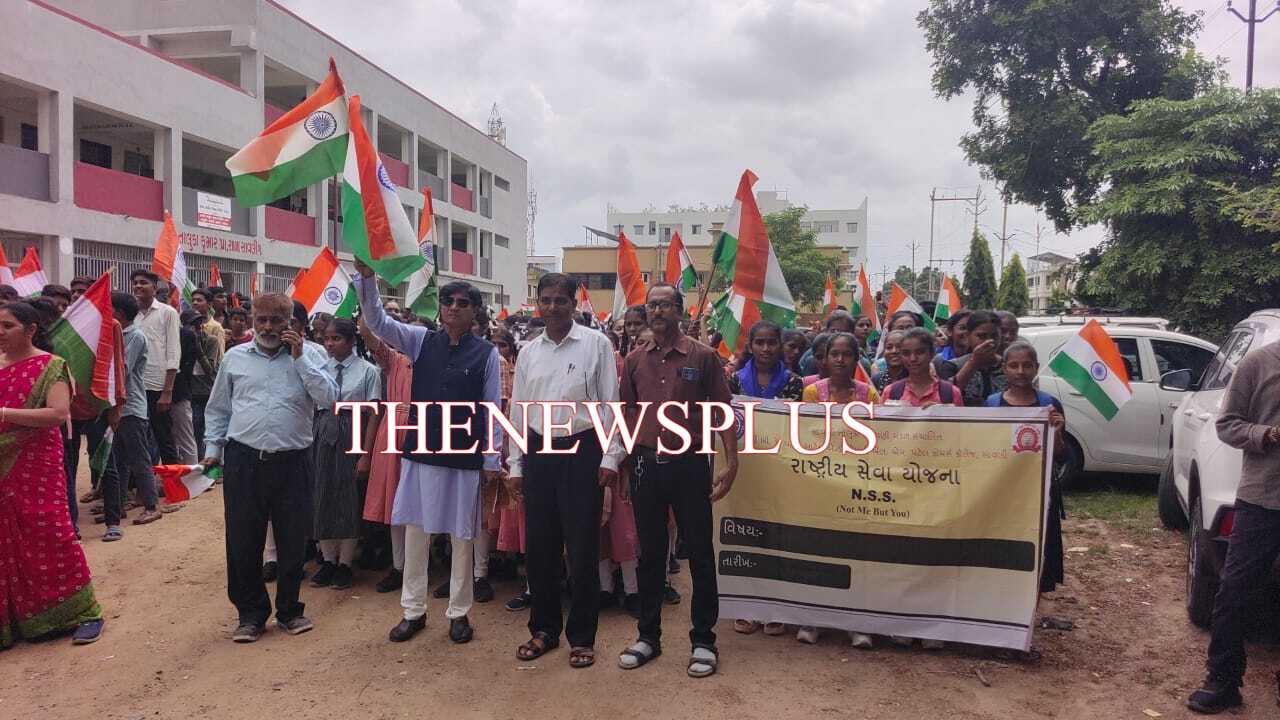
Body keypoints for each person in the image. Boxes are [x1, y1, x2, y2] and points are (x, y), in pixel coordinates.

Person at [352, 259, 502, 646]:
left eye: (463, 303)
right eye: (448, 301)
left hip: (464, 456)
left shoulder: (486, 354)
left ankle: (459, 613)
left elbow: (492, 409)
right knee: (416, 534)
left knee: (462, 537)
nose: (454, 307)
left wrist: (491, 459)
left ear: (475, 311)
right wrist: (367, 281)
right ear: (440, 308)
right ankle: (413, 611)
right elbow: (378, 322)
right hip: (420, 453)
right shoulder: (420, 341)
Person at [617, 283, 738, 678]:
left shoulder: (703, 357)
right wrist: (625, 464)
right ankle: (647, 637)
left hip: (690, 463)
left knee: (699, 553)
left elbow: (722, 410)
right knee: (650, 554)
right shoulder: (634, 360)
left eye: (665, 305)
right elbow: (627, 414)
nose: (657, 311)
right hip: (645, 465)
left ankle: (703, 640)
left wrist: (731, 461)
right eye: (652, 305)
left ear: (680, 310)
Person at [202, 293, 336, 643]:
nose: (267, 327)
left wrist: (301, 358)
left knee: (293, 539)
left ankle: (290, 610)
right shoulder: (235, 357)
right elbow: (219, 408)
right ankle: (250, 615)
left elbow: (329, 399)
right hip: (244, 460)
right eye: (261, 320)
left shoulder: (312, 355)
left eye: (276, 321)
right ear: (253, 320)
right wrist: (213, 449)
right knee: (243, 540)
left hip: (294, 461)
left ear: (290, 323)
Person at [506, 273, 625, 669]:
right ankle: (543, 629)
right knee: (540, 548)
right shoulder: (528, 351)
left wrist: (610, 457)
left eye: (561, 300)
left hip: (583, 451)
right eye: (546, 299)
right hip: (539, 453)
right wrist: (516, 464)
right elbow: (519, 411)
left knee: (582, 548)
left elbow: (611, 405)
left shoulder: (596, 345)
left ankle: (582, 636)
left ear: (575, 304)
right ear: (537, 303)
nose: (553, 307)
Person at [0, 301, 106, 647]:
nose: (0, 333)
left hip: (36, 464)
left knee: (49, 531)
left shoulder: (51, 366)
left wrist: (4, 413)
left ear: (30, 330)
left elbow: (58, 414)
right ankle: (17, 618)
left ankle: (84, 613)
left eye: (7, 326)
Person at [1186, 337, 1280, 714]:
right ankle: (1223, 680)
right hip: (1263, 498)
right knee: (1235, 591)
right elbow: (1227, 425)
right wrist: (1268, 434)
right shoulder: (1259, 363)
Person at [729, 320, 803, 638]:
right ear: (750, 346)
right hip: (745, 467)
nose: (766, 348)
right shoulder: (734, 380)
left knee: (778, 536)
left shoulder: (794, 383)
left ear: (780, 346)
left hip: (780, 467)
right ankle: (748, 605)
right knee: (747, 535)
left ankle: (776, 607)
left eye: (772, 342)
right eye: (759, 342)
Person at [983, 341, 1066, 596]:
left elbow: (1060, 454)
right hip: (1003, 491)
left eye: (1027, 365)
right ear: (1004, 369)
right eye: (1014, 365)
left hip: (1039, 492)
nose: (1020, 371)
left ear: (1036, 368)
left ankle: (1031, 607)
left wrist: (1057, 431)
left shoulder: (1049, 404)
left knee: (1038, 550)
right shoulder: (992, 404)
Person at [311, 318, 381, 591]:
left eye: (336, 338)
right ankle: (328, 559)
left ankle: (345, 562)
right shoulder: (319, 369)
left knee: (348, 496)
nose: (329, 344)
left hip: (353, 430)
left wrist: (366, 453)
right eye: (326, 338)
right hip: (323, 429)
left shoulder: (368, 370)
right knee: (322, 492)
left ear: (351, 341)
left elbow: (374, 413)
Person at [360, 320, 413, 595]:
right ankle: (400, 567)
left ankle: (422, 565)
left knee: (425, 504)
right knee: (396, 504)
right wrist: (365, 299)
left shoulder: (437, 362)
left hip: (427, 432)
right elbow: (370, 337)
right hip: (393, 434)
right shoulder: (395, 360)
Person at [105, 291, 163, 534]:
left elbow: (123, 369)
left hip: (131, 408)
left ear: (118, 313)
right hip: (117, 407)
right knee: (118, 460)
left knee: (139, 459)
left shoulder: (135, 336)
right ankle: (118, 505)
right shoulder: (116, 334)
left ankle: (152, 505)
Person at [131, 270, 181, 464]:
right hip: (134, 386)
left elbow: (173, 352)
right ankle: (141, 479)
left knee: (164, 437)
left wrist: (167, 392)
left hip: (157, 386)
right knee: (137, 438)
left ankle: (172, 479)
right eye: (135, 282)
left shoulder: (167, 313)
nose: (138, 286)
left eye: (143, 282)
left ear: (154, 287)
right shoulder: (131, 314)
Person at [939, 311, 1006, 408]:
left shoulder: (1009, 366)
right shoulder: (952, 366)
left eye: (994, 336)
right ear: (968, 336)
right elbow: (946, 397)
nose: (989, 341)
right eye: (981, 336)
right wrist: (974, 362)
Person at [170, 311, 203, 465]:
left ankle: (191, 473)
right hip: (157, 391)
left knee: (185, 436)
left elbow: (186, 368)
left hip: (180, 393)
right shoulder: (159, 333)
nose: (195, 329)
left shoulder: (187, 336)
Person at [190, 289, 227, 365]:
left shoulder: (216, 327)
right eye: (193, 300)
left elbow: (220, 357)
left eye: (199, 300)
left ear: (209, 304)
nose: (195, 303)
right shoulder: (187, 324)